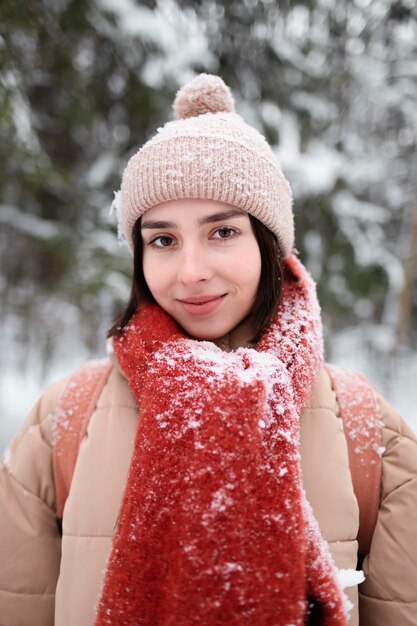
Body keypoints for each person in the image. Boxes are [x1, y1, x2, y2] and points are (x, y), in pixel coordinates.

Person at [0, 74, 416, 626]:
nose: (191, 272)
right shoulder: (61, 424)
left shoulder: (371, 435)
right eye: (163, 240)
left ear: (269, 244)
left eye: (223, 232)